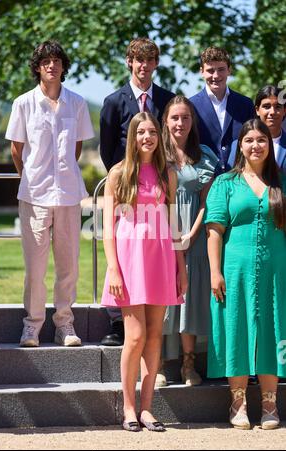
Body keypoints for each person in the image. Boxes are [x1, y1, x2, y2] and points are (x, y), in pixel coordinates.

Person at [101, 112, 187, 431]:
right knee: (134, 336)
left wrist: (181, 268)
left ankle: (147, 409)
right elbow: (107, 228)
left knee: (154, 336)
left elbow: (174, 226)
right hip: (129, 260)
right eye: (141, 132)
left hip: (160, 259)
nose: (147, 137)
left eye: (152, 131)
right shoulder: (118, 174)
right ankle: (128, 408)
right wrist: (113, 268)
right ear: (132, 137)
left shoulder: (168, 175)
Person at [5, 40, 94, 347]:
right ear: (38, 68)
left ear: (63, 66)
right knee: (35, 268)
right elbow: (16, 149)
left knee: (68, 266)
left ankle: (65, 325)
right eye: (46, 62)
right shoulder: (23, 103)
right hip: (34, 196)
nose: (52, 66)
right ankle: (32, 326)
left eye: (57, 61)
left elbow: (77, 148)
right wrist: (30, 177)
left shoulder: (78, 102)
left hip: (69, 195)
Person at [204, 118, 286, 430]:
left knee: (272, 329)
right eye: (249, 140)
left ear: (270, 144)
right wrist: (215, 272)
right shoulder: (225, 183)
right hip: (234, 269)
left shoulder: (281, 184)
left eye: (261, 140)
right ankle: (237, 402)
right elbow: (214, 231)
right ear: (241, 145)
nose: (256, 145)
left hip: (276, 271)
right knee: (235, 327)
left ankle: (269, 403)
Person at [99, 37, 175, 346]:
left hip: (157, 184)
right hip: (127, 190)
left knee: (154, 254)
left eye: (149, 60)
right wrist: (126, 181)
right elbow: (107, 151)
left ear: (156, 64)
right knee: (122, 251)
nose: (143, 65)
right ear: (130, 63)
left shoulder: (167, 99)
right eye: (137, 60)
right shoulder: (113, 101)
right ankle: (119, 322)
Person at [156, 96, 217, 387]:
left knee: (189, 297)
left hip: (195, 237)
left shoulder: (204, 155)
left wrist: (192, 234)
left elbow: (207, 202)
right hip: (160, 236)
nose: (180, 123)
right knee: (161, 299)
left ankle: (188, 363)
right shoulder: (155, 154)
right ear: (165, 122)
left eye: (185, 118)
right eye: (174, 118)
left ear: (192, 122)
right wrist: (168, 234)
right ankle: (158, 362)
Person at [190, 46, 255, 174]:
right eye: (210, 70)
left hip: (241, 178)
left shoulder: (245, 104)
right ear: (201, 72)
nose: (216, 75)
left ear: (229, 70)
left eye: (221, 69)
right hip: (204, 182)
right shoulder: (191, 106)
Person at [228, 85, 286, 172]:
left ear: (284, 111)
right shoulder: (239, 144)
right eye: (266, 106)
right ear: (257, 110)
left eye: (278, 107)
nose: (272, 112)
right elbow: (231, 177)